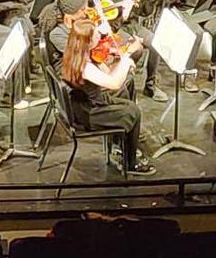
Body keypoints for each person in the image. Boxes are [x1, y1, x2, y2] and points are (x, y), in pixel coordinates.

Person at [60, 14, 156, 175]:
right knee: (133, 111)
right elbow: (114, 83)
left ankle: (121, 146)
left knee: (128, 95)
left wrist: (119, 60)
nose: (101, 35)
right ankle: (130, 163)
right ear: (88, 41)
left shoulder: (77, 54)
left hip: (87, 102)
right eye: (97, 34)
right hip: (88, 113)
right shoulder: (84, 66)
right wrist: (125, 59)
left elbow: (108, 73)